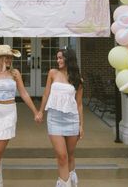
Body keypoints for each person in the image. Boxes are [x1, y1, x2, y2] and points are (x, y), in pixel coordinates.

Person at [0, 44, 39, 187]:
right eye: (7, 56)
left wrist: (35, 111)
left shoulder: (15, 74)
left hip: (8, 115)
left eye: (11, 57)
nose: (10, 59)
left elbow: (23, 93)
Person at [36, 46, 84, 187]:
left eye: (60, 58)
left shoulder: (78, 80)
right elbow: (46, 94)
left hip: (72, 119)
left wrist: (81, 125)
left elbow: (79, 104)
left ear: (68, 59)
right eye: (57, 58)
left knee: (70, 155)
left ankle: (72, 179)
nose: (58, 60)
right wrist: (40, 111)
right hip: (54, 119)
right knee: (62, 156)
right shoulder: (53, 73)